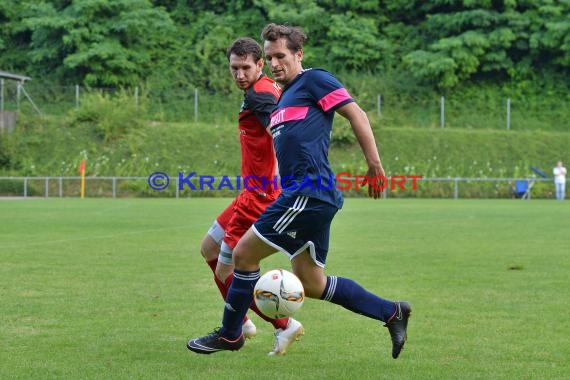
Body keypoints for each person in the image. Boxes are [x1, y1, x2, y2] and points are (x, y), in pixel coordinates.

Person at [187, 24, 411, 359]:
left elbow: (356, 114)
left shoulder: (314, 80)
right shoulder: (283, 95)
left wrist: (374, 164)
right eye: (270, 56)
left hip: (308, 192)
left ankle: (231, 334)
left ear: (298, 55)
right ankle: (392, 312)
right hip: (307, 196)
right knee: (312, 283)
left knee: (243, 255)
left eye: (281, 56)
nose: (275, 62)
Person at [195, 37, 304, 356]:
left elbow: (279, 131)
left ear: (260, 65)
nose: (240, 74)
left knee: (226, 271)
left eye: (246, 67)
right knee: (208, 249)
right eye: (234, 68)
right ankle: (241, 321)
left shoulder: (260, 97)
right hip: (251, 191)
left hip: (259, 196)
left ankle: (281, 326)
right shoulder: (266, 89)